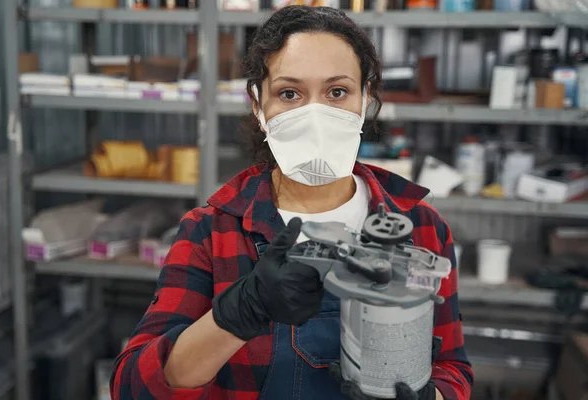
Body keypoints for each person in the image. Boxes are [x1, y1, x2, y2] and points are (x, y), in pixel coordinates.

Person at [111, 5, 473, 400]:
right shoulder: (212, 231)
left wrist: (430, 396)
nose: (314, 115)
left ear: (365, 99)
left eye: (337, 92)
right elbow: (133, 388)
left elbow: (452, 368)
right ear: (257, 104)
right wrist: (237, 313)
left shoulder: (420, 225)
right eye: (289, 93)